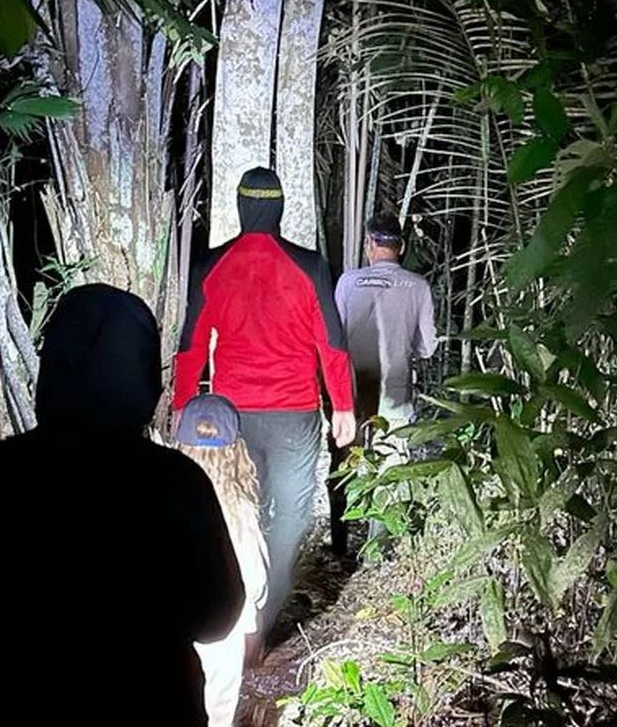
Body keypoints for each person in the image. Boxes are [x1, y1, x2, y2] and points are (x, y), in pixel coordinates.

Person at [0, 284, 244, 726]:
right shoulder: (175, 481)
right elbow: (218, 616)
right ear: (142, 374)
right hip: (155, 705)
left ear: (54, 367)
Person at [172, 167, 357, 658]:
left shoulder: (212, 265)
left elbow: (191, 345)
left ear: (241, 206)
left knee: (237, 508)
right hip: (294, 415)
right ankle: (263, 617)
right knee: (291, 517)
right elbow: (332, 344)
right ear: (279, 207)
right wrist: (342, 406)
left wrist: (182, 405)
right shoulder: (310, 266)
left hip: (233, 418)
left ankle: (235, 610)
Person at [331, 213, 438, 555]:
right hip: (395, 393)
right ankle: (376, 552)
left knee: (344, 464)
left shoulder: (348, 282)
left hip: (353, 392)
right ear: (400, 247)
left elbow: (335, 339)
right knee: (390, 469)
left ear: (369, 244)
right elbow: (427, 347)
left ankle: (339, 544)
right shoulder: (418, 287)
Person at [173, 394, 269, 727]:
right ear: (236, 449)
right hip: (224, 629)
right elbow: (255, 578)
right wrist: (252, 617)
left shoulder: (165, 499)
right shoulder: (239, 510)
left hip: (176, 625)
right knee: (217, 708)